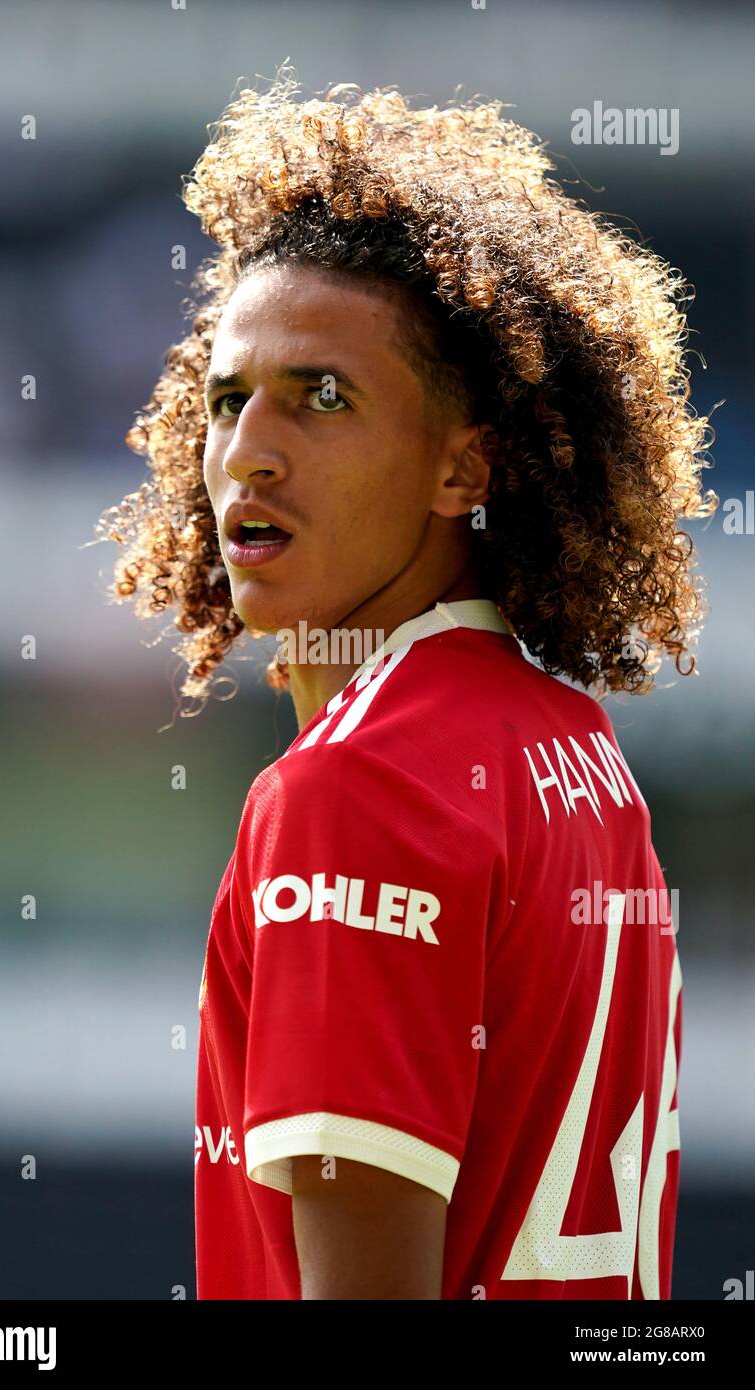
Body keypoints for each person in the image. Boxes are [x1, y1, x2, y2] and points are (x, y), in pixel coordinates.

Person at [97, 69, 716, 1299]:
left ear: (459, 469)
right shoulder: (572, 745)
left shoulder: (356, 788)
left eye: (322, 396)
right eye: (227, 400)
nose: (247, 452)